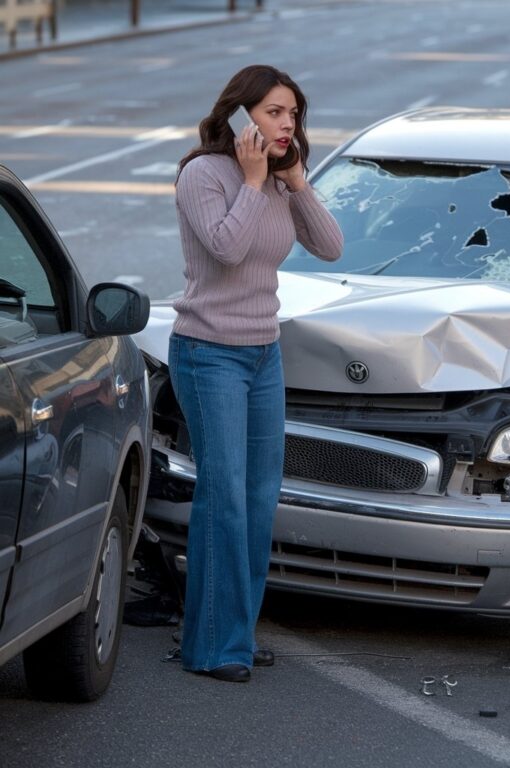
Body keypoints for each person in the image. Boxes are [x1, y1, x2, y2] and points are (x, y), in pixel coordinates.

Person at [168, 65, 343, 683]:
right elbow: (227, 250)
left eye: (293, 114)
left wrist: (296, 182)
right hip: (208, 352)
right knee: (225, 500)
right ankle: (214, 646)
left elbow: (331, 246)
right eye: (274, 112)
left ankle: (234, 635)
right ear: (241, 116)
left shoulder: (275, 181)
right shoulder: (203, 175)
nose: (287, 123)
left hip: (263, 355)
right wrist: (250, 180)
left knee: (259, 500)